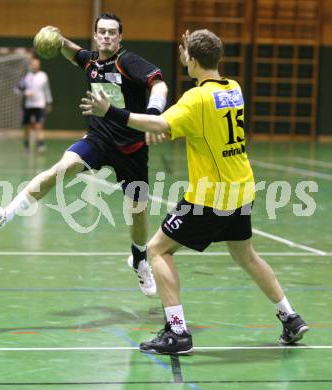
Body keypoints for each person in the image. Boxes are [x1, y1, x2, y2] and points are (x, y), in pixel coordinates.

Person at [80, 29, 309, 355]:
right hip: (241, 189)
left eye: (185, 52)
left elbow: (160, 125)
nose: (182, 55)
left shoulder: (196, 99)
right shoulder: (234, 89)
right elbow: (179, 125)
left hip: (210, 197)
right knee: (246, 255)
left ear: (193, 59)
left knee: (156, 250)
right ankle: (290, 316)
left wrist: (111, 112)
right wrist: (163, 124)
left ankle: (177, 333)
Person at [0, 12, 169, 297]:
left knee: (138, 215)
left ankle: (140, 258)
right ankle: (5, 214)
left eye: (112, 32)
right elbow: (72, 52)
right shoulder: (91, 61)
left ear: (119, 37)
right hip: (98, 139)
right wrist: (57, 38)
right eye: (102, 32)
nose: (106, 36)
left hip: (130, 147)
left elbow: (159, 83)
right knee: (60, 169)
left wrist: (154, 115)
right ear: (95, 35)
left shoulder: (127, 61)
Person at [15, 57, 52, 152]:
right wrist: (25, 92)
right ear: (30, 65)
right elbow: (17, 89)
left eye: (37, 64)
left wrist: (49, 102)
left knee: (39, 125)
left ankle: (41, 146)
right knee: (26, 127)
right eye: (33, 64)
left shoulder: (43, 76)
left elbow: (47, 90)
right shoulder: (26, 76)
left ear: (39, 66)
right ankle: (26, 146)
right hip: (28, 105)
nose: (35, 66)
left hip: (40, 105)